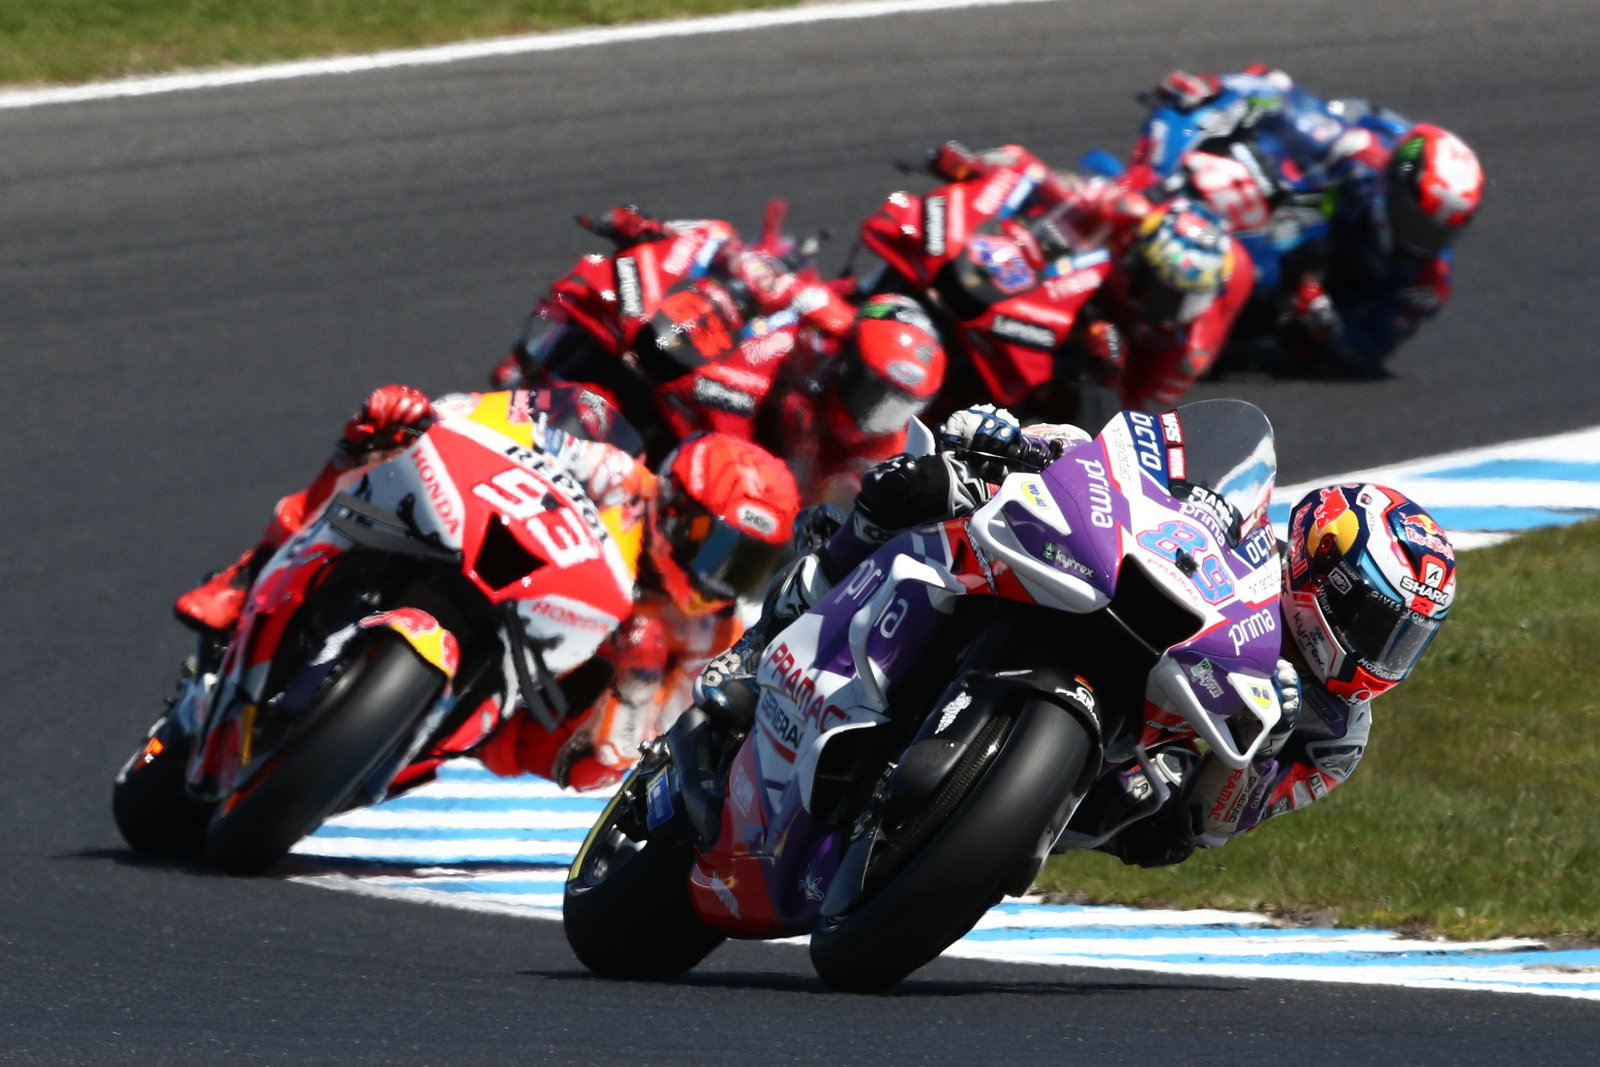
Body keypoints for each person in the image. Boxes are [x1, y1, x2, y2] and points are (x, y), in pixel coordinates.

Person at [694, 406, 1456, 868]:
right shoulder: (1253, 539)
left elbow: (1217, 824)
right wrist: (1018, 442)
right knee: (921, 484)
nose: (1381, 655)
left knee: (1145, 803)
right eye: (1377, 626)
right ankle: (762, 644)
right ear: (1325, 571)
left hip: (1131, 767)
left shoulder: (1334, 734)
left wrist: (1253, 752)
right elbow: (1131, 467)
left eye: (1405, 640)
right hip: (1097, 594)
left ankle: (961, 836)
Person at [175, 384, 800, 793]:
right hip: (495, 559)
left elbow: (623, 758)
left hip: (526, 711)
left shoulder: (713, 634)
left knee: (592, 764)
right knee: (374, 442)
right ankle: (246, 577)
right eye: (720, 550)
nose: (722, 580)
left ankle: (417, 738)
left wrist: (635, 677)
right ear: (677, 509)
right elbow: (501, 426)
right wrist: (429, 422)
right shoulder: (620, 478)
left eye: (744, 566)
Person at [1138, 66, 1485, 377]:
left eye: (1436, 231)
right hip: (1294, 219)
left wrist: (1326, 325)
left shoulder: (1425, 283)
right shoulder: (1365, 151)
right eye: (1415, 221)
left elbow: (1371, 349)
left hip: (1297, 305)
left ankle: (1182, 321)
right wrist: (1215, 88)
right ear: (1392, 186)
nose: (1421, 238)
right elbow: (1278, 92)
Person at [923, 141, 1255, 414]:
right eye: (1157, 288)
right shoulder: (1127, 212)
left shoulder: (1186, 354)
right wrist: (981, 166)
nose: (1164, 306)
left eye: (1182, 299)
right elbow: (1051, 183)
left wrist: (1110, 374)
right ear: (1136, 254)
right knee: (1097, 169)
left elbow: (1134, 418)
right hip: (1086, 286)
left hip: (1121, 346)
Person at [758, 292, 949, 508]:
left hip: (787, 489)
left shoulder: (890, 454)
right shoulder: (819, 323)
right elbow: (768, 280)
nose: (876, 413)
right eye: (872, 393)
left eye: (897, 407)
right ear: (849, 362)